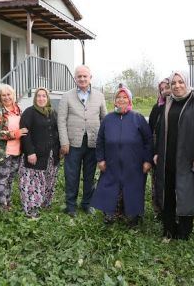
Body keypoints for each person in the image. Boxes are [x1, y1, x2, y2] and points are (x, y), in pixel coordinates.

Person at [153, 71, 194, 240]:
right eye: (173, 83)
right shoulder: (168, 103)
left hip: (188, 157)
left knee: (186, 192)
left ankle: (184, 231)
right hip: (168, 157)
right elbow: (159, 129)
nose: (177, 86)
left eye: (181, 82)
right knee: (168, 192)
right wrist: (157, 151)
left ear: (187, 83)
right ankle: (168, 229)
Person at [91, 85, 153, 226]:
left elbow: (148, 140)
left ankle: (132, 215)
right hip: (112, 162)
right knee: (109, 187)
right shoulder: (108, 119)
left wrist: (147, 160)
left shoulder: (137, 118)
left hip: (134, 163)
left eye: (125, 97)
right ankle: (110, 213)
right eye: (118, 97)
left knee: (133, 188)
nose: (121, 100)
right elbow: (100, 140)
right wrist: (100, 159)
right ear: (114, 101)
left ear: (129, 100)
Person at [58, 65, 107, 217]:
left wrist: (104, 142)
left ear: (90, 78)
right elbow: (61, 120)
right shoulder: (66, 96)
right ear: (75, 78)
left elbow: (104, 119)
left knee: (89, 175)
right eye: (79, 76)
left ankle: (87, 203)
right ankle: (71, 206)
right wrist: (64, 142)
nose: (82, 79)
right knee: (71, 175)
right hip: (73, 143)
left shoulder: (99, 96)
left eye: (85, 76)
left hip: (93, 142)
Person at [18, 87, 60, 218]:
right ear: (35, 98)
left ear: (47, 98)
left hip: (51, 155)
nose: (41, 99)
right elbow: (25, 134)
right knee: (32, 182)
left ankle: (44, 204)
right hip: (35, 154)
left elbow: (56, 132)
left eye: (44, 96)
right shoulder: (29, 112)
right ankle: (31, 209)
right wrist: (30, 152)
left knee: (49, 180)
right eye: (39, 96)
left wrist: (59, 150)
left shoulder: (52, 112)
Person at [0, 84, 28, 212]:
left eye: (8, 94)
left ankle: (8, 202)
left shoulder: (19, 110)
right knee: (3, 179)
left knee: (11, 179)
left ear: (13, 95)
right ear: (0, 98)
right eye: (3, 95)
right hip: (3, 152)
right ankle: (2, 206)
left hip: (17, 150)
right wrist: (14, 134)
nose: (6, 97)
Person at [148, 77, 171, 218]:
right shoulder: (157, 107)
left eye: (167, 87)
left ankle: (171, 209)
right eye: (161, 89)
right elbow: (149, 130)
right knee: (156, 181)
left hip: (172, 151)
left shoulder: (178, 105)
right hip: (157, 151)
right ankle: (158, 210)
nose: (164, 91)